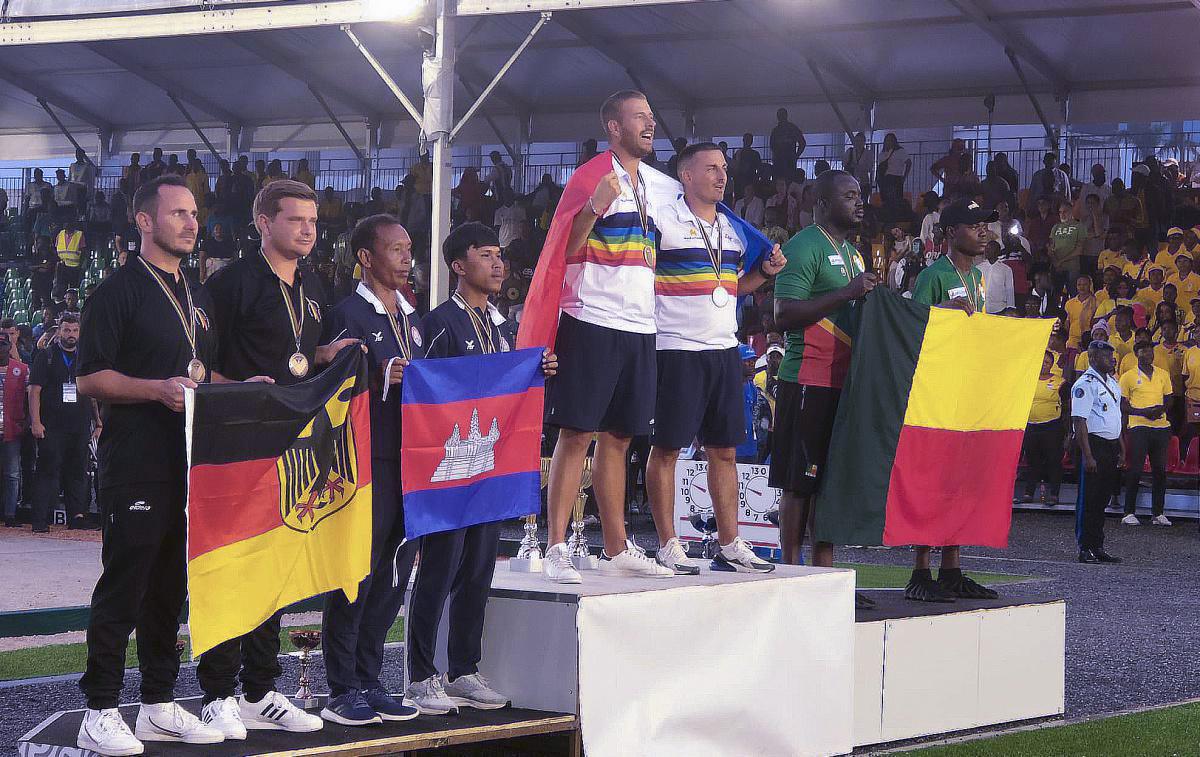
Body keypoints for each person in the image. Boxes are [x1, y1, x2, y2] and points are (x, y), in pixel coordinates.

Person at [199, 180, 355, 737]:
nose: (308, 230)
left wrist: (322, 354)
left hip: (290, 445)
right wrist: (242, 390)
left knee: (274, 568)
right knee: (232, 565)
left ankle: (260, 690)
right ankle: (217, 691)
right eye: (295, 220)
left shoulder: (314, 284)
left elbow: (291, 356)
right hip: (233, 444)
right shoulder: (230, 284)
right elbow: (196, 364)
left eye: (312, 221)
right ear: (263, 222)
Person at [75, 175, 225, 753]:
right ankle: (100, 708)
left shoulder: (193, 295)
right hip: (135, 460)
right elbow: (90, 377)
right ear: (144, 221)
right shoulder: (118, 291)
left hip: (188, 459)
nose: (192, 223)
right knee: (126, 583)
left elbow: (198, 373)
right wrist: (155, 390)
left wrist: (243, 387)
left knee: (170, 587)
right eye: (179, 213)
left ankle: (158, 702)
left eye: (194, 213)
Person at [406, 222, 557, 712]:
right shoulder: (437, 325)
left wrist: (535, 368)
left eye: (499, 254)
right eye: (486, 254)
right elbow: (422, 392)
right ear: (457, 265)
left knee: (477, 573)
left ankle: (464, 669)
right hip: (449, 474)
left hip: (490, 471)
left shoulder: (501, 327)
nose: (498, 263)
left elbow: (506, 391)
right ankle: (420, 676)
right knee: (438, 573)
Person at [542, 91, 675, 584]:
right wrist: (593, 208)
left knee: (619, 436)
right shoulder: (592, 174)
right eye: (640, 117)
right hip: (591, 317)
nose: (651, 123)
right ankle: (556, 544)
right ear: (614, 128)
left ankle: (617, 546)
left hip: (640, 325)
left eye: (651, 116)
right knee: (576, 433)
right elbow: (564, 246)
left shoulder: (651, 185)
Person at [643, 142, 785, 576]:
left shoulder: (731, 228)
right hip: (675, 348)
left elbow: (736, 287)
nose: (722, 176)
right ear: (686, 176)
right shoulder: (661, 221)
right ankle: (669, 544)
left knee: (724, 450)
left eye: (724, 169)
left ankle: (730, 543)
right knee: (666, 448)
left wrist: (765, 273)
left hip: (723, 350)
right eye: (711, 169)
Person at [318, 215, 422, 726]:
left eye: (409, 249)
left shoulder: (412, 318)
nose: (406, 257)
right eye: (396, 249)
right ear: (366, 256)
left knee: (392, 573)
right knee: (356, 571)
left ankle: (370, 676)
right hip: (365, 462)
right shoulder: (347, 315)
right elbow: (332, 388)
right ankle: (342, 686)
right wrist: (381, 375)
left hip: (412, 460)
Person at [771, 170, 877, 606]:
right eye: (849, 196)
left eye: (860, 196)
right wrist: (846, 294)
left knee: (830, 483)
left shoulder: (852, 253)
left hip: (842, 382)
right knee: (800, 482)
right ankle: (792, 574)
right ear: (822, 201)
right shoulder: (804, 246)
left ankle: (824, 576)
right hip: (807, 378)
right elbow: (783, 314)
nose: (859, 203)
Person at [908, 198, 1001, 602]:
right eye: (973, 224)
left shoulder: (979, 279)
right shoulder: (933, 275)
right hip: (936, 390)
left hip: (964, 389)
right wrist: (940, 311)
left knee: (959, 482)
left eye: (986, 224)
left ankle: (952, 568)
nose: (983, 231)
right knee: (932, 480)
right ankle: (919, 573)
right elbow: (910, 325)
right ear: (949, 233)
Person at [29, 313, 95, 532]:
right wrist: (36, 422)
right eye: (67, 330)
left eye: (75, 331)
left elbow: (92, 390)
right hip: (52, 425)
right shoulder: (46, 356)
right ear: (59, 331)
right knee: (48, 470)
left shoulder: (85, 357)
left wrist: (98, 420)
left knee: (77, 471)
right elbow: (34, 391)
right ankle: (40, 518)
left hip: (79, 423)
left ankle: (76, 516)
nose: (71, 335)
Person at [1071, 340, 1124, 564]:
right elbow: (1079, 420)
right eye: (1106, 357)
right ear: (1093, 359)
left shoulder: (1112, 383)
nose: (1112, 360)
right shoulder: (1085, 384)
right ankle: (1085, 547)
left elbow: (1115, 417)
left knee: (1101, 498)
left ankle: (1098, 545)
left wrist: (1121, 447)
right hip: (1093, 444)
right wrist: (1088, 455)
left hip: (1111, 445)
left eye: (1112, 356)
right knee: (1089, 499)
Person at [1119, 341, 1173, 527]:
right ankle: (1128, 512)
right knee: (1135, 469)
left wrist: (1160, 409)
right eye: (1143, 352)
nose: (1148, 355)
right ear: (1136, 354)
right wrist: (1144, 412)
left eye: (1150, 352)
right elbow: (1122, 404)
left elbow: (1169, 398)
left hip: (1161, 426)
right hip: (1138, 426)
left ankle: (1158, 513)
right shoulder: (1128, 377)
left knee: (1160, 471)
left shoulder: (1163, 374)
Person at [1020, 350, 1065, 506]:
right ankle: (1028, 493)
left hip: (1052, 427)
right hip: (1031, 427)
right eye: (1041, 362)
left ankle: (1054, 494)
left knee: (1054, 461)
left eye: (1047, 362)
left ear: (1051, 365)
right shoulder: (1027, 380)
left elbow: (1068, 405)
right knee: (1032, 461)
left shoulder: (1060, 382)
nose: (1043, 365)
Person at [0, 328, 26, 530]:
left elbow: (30, 396)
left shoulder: (22, 369)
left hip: (11, 429)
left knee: (12, 473)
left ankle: (10, 513)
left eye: (3, 345)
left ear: (9, 347)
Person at [1048, 202, 1085, 293]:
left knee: (1073, 292)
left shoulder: (1079, 226)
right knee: (1055, 294)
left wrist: (1060, 261)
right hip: (1056, 266)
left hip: (1072, 267)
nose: (1062, 214)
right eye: (1060, 212)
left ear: (1071, 211)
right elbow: (1050, 247)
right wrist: (1055, 262)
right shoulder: (1055, 227)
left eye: (1065, 212)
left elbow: (1079, 249)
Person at [975, 240, 1014, 314]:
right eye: (986, 249)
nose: (986, 251)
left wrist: (1010, 308)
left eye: (990, 249)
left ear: (997, 252)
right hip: (982, 308)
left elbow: (1009, 290)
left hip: (999, 309)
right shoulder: (978, 268)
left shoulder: (1005, 269)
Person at [769, 109, 805, 179]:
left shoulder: (792, 128)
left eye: (782, 115)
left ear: (786, 115)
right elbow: (772, 145)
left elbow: (802, 143)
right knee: (778, 183)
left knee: (788, 182)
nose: (781, 117)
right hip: (779, 162)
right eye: (779, 115)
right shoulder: (776, 130)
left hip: (789, 162)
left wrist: (796, 156)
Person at [877, 132, 911, 206]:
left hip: (895, 177)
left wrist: (904, 176)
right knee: (886, 200)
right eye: (887, 140)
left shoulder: (900, 151)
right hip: (884, 179)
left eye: (890, 140)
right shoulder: (882, 153)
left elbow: (908, 163)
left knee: (896, 201)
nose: (889, 142)